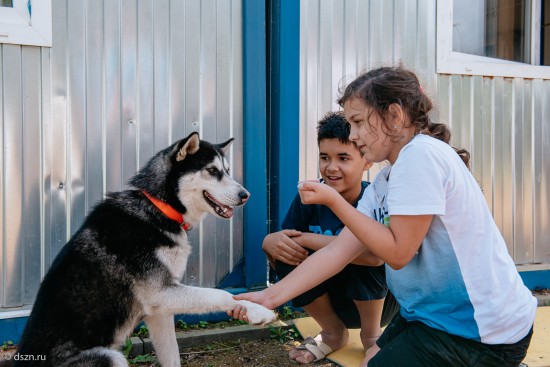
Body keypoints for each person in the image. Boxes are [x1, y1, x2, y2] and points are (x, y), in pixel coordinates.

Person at [230, 65, 537, 367]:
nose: (353, 134)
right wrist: (270, 297)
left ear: (394, 115)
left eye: (359, 121)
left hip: (481, 332)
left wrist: (335, 203)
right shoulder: (383, 183)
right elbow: (338, 251)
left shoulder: (420, 155)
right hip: (432, 318)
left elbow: (398, 253)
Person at [262, 111, 399, 364]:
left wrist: (307, 239)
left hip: (380, 306)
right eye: (325, 157)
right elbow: (289, 240)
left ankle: (371, 336)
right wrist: (270, 242)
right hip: (334, 305)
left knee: (361, 249)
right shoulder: (309, 197)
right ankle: (333, 332)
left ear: (366, 161)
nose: (331, 167)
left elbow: (374, 258)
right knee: (284, 250)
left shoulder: (373, 199)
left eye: (343, 158)